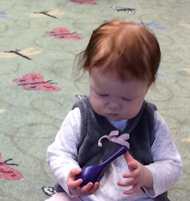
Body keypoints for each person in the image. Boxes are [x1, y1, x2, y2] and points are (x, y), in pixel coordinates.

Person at [47, 21, 182, 200]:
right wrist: (69, 174)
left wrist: (148, 175)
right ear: (89, 73)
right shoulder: (81, 116)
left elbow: (173, 165)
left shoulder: (152, 121)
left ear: (147, 86)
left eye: (126, 98)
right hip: (86, 196)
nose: (113, 105)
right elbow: (59, 153)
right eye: (102, 94)